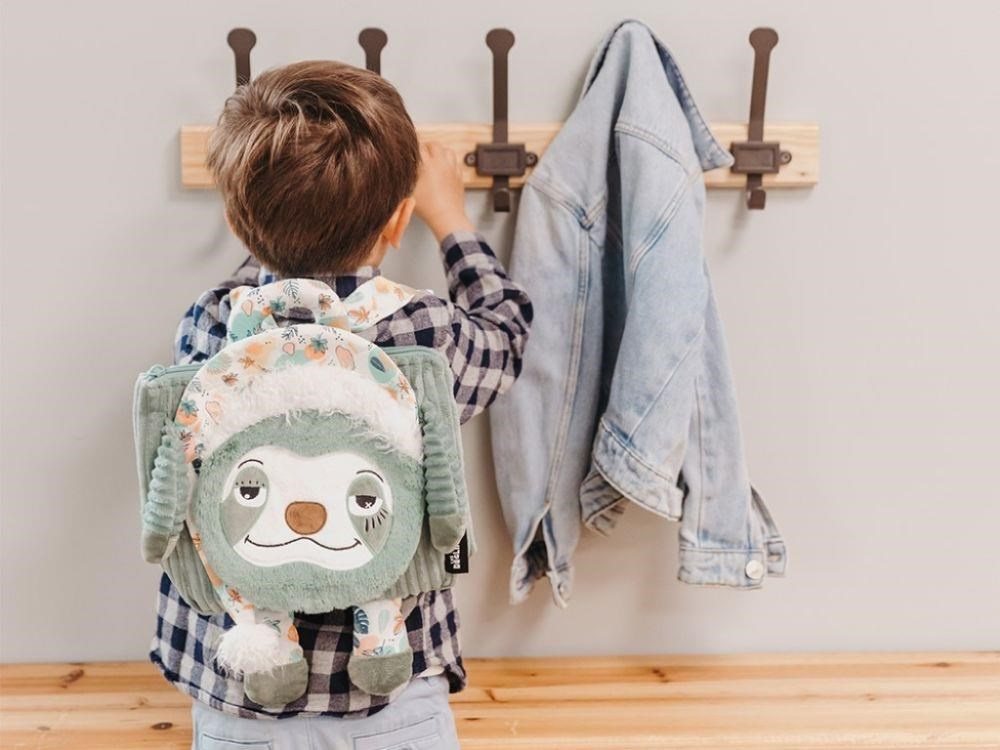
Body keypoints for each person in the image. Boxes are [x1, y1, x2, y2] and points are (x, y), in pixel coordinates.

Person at [153, 59, 532, 749]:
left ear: (238, 223)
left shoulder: (209, 326)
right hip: (393, 698)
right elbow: (507, 334)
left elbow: (263, 280)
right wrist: (451, 220)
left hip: (240, 699)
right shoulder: (427, 333)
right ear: (398, 220)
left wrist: (277, 219)